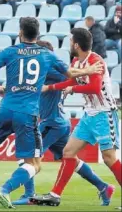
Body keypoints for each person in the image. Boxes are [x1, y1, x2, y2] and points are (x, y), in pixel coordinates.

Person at [0, 17, 103, 209]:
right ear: (37, 33)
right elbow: (70, 74)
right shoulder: (46, 56)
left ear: (20, 32)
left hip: (7, 109)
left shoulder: (10, 51)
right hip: (28, 115)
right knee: (35, 163)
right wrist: (88, 70)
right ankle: (6, 189)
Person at [12, 40, 114, 206]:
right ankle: (103, 186)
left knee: (28, 154)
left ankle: (29, 194)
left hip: (52, 122)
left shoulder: (50, 70)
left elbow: (67, 78)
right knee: (71, 159)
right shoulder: (54, 71)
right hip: (60, 122)